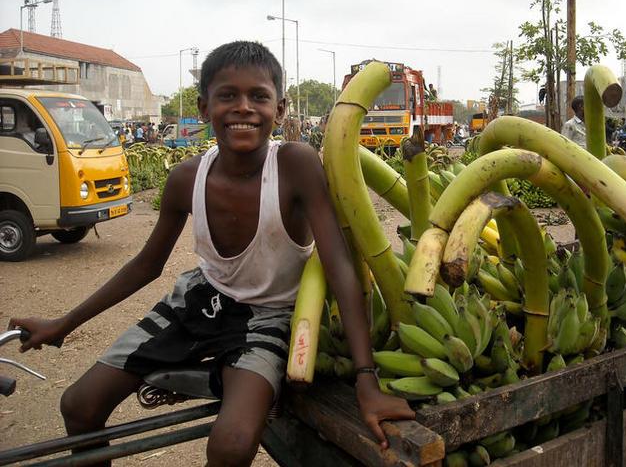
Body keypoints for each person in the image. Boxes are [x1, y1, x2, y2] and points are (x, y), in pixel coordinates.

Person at [10, 41, 414, 466]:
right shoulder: (187, 178)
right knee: (78, 404)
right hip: (200, 301)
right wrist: (64, 323)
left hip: (270, 317)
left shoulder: (295, 165)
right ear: (204, 108)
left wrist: (366, 379)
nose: (243, 107)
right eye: (227, 96)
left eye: (258, 96)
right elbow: (147, 265)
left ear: (280, 109)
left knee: (231, 445)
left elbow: (339, 266)